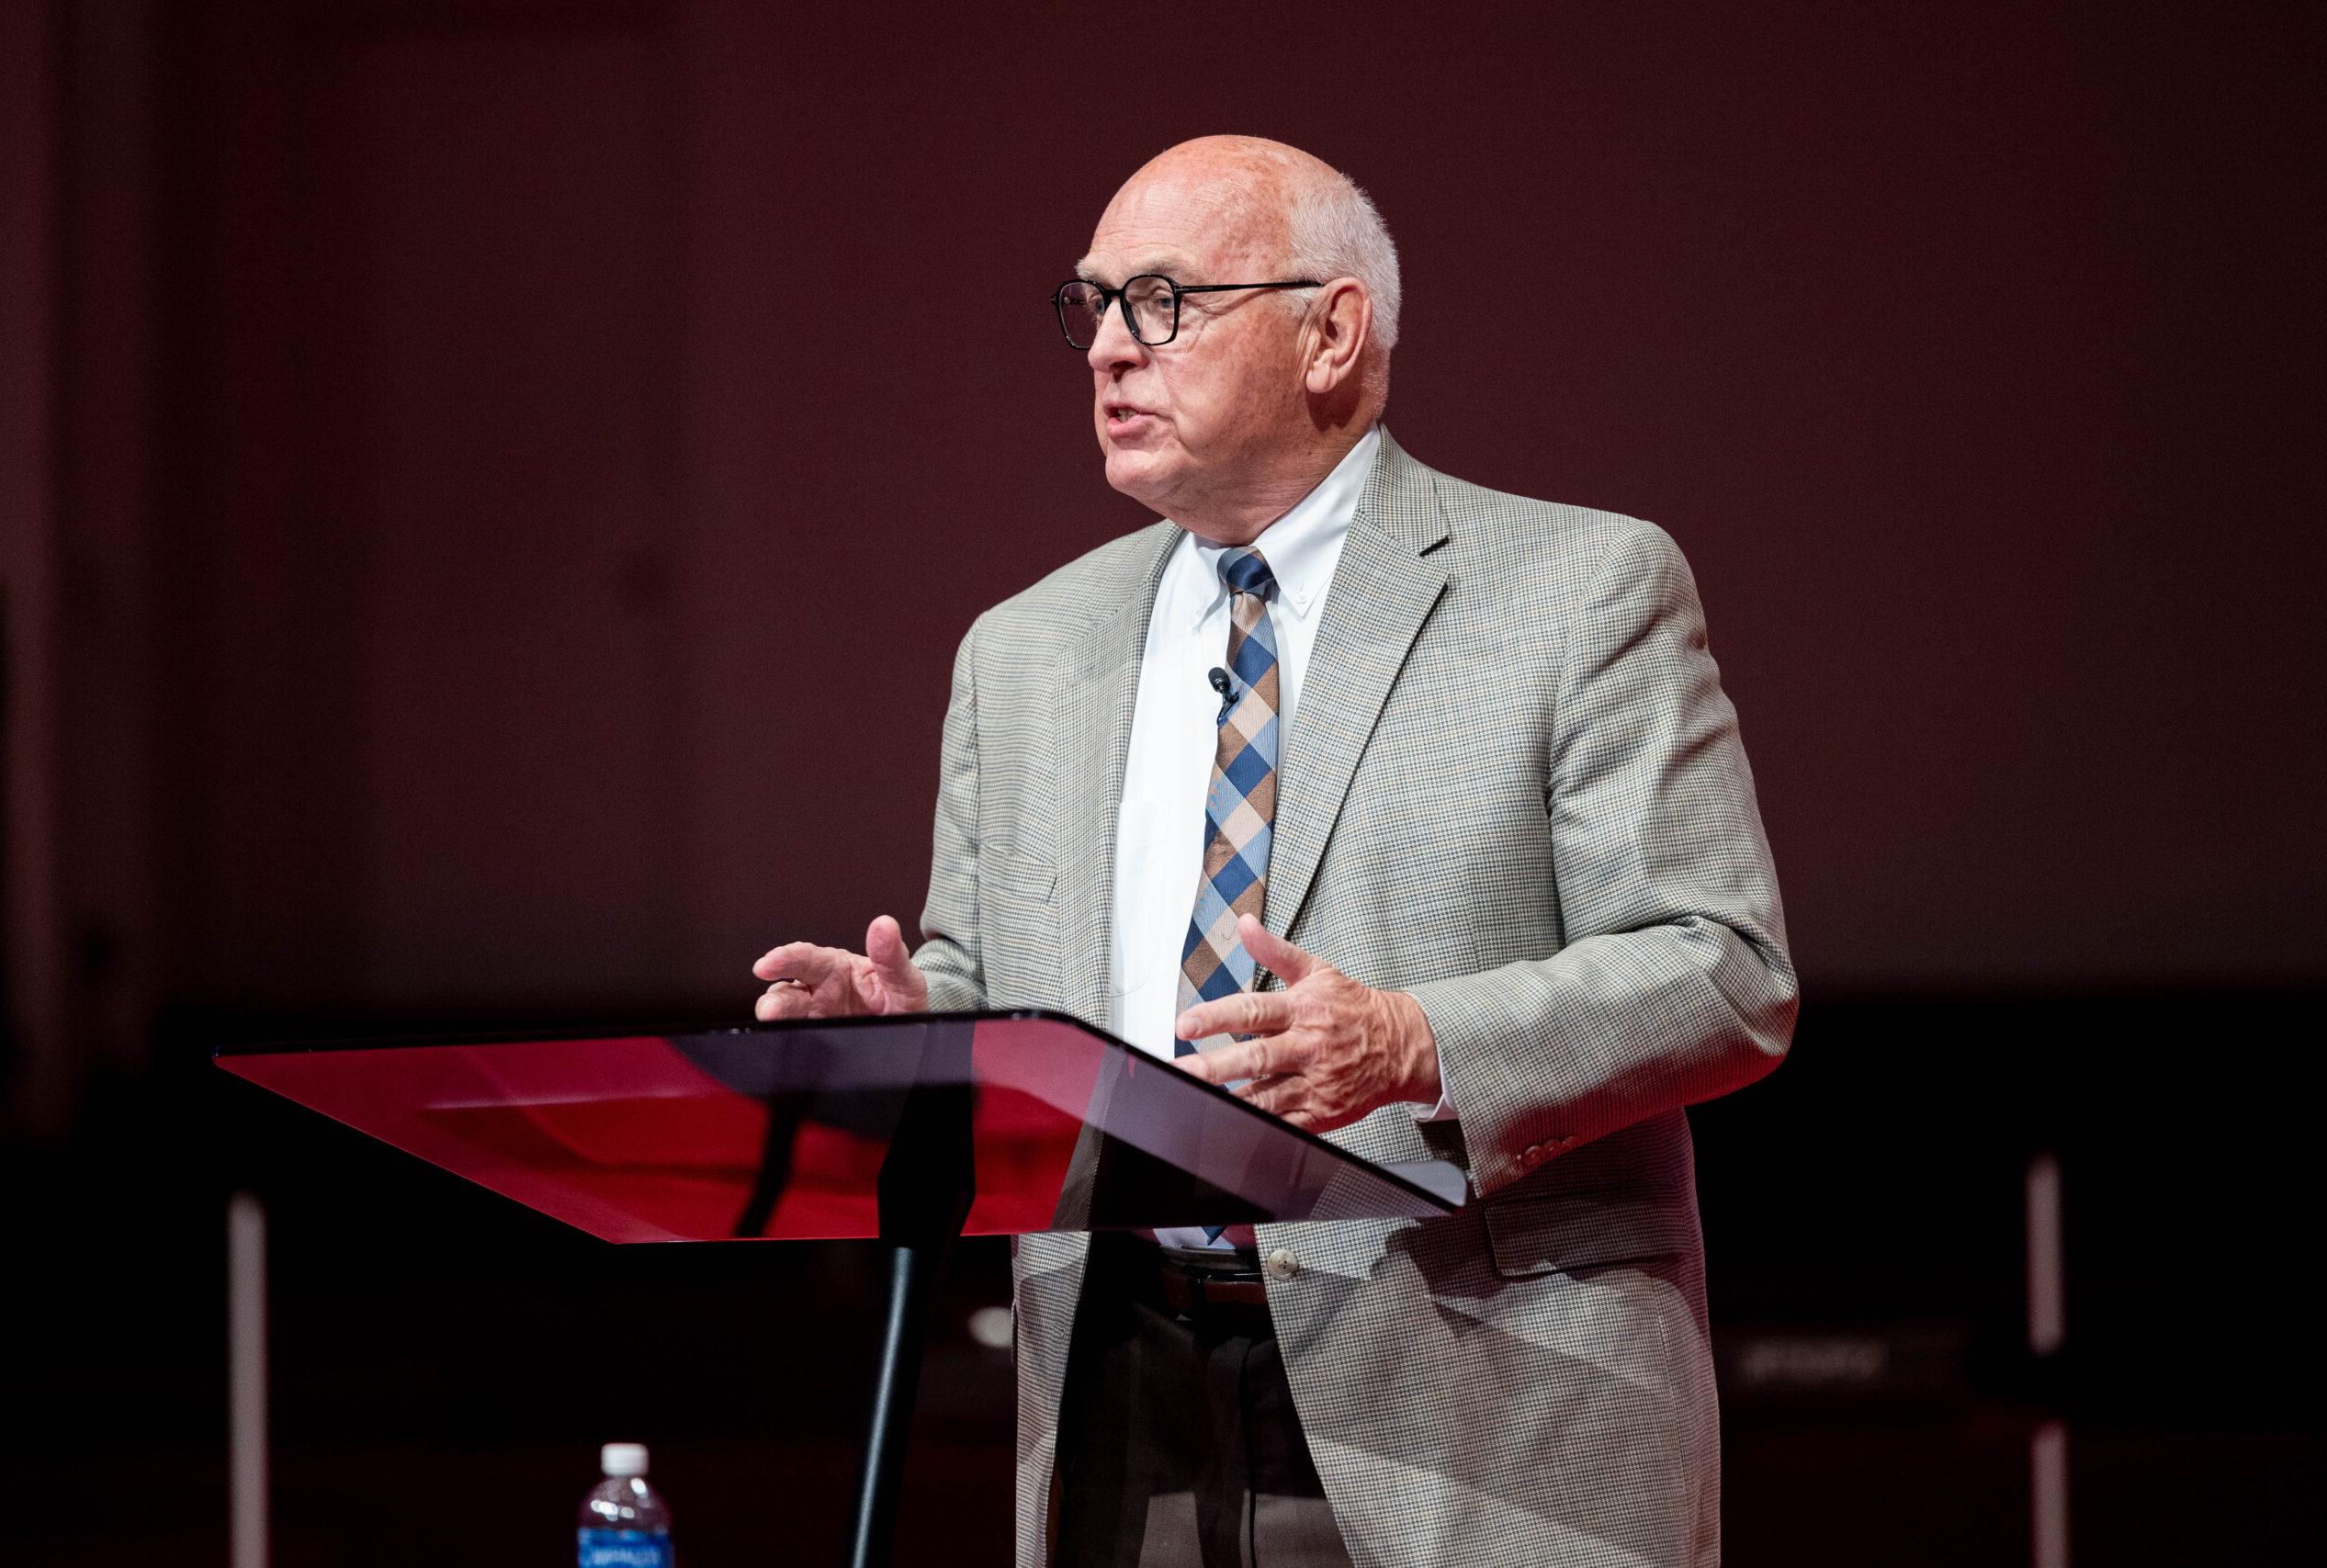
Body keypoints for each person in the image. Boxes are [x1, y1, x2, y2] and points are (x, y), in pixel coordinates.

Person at [754, 135, 1796, 1568]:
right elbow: (988, 981)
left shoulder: (1576, 591)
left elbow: (1725, 974)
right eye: (1092, 308)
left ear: (1332, 332)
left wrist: (1414, 1040)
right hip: (1121, 1388)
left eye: (1163, 304)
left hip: (1478, 1399)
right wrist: (916, 1033)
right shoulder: (1025, 650)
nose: (1110, 351)